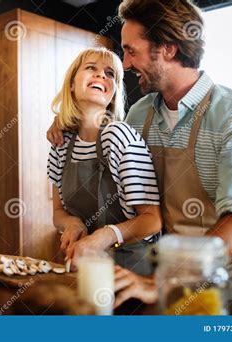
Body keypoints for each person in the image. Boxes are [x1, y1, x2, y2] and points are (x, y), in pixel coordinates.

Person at [47, 0, 232, 305]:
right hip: (150, 277)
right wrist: (63, 122)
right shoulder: (138, 115)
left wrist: (167, 278)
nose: (124, 65)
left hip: (217, 287)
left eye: (131, 51)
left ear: (167, 48)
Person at [48, 47, 163, 275]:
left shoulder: (118, 136)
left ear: (114, 92)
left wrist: (104, 236)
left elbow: (152, 220)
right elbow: (58, 212)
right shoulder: (61, 142)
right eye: (91, 68)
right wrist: (72, 223)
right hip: (85, 264)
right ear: (71, 83)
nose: (101, 75)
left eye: (110, 74)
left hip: (133, 270)